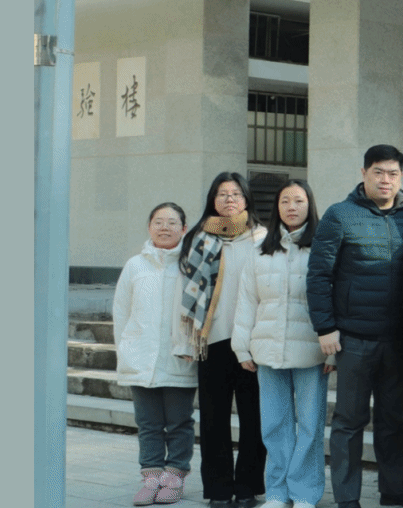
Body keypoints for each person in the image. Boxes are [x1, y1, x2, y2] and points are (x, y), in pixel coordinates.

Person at [309, 144, 403, 508]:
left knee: (392, 420)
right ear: (364, 174)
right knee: (349, 421)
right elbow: (319, 275)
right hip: (354, 339)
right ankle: (347, 498)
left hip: (397, 340)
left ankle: (395, 491)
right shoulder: (340, 215)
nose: (386, 180)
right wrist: (325, 327)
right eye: (378, 172)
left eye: (393, 173)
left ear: (401, 177)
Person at [231, 180, 331, 508]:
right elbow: (247, 302)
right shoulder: (260, 251)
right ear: (276, 207)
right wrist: (241, 346)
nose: (291, 207)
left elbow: (335, 299)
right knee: (274, 425)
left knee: (310, 425)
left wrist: (334, 350)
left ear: (309, 205)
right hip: (268, 350)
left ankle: (304, 493)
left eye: (298, 200)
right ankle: (277, 492)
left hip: (312, 350)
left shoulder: (323, 247)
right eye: (285, 200)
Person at [176, 172, 269, 508]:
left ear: (246, 199)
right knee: (213, 419)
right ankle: (217, 490)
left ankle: (248, 488)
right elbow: (183, 291)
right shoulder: (197, 238)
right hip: (212, 339)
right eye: (222, 194)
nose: (229, 199)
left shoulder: (262, 237)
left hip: (253, 341)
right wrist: (185, 341)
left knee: (254, 419)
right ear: (212, 201)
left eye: (236, 193)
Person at [116, 202, 199, 507]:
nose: (165, 227)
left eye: (172, 222)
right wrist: (125, 350)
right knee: (148, 423)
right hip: (141, 358)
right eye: (158, 222)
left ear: (184, 228)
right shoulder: (135, 266)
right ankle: (151, 477)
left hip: (179, 358)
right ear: (149, 227)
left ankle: (174, 477)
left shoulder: (191, 265)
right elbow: (121, 312)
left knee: (179, 422)